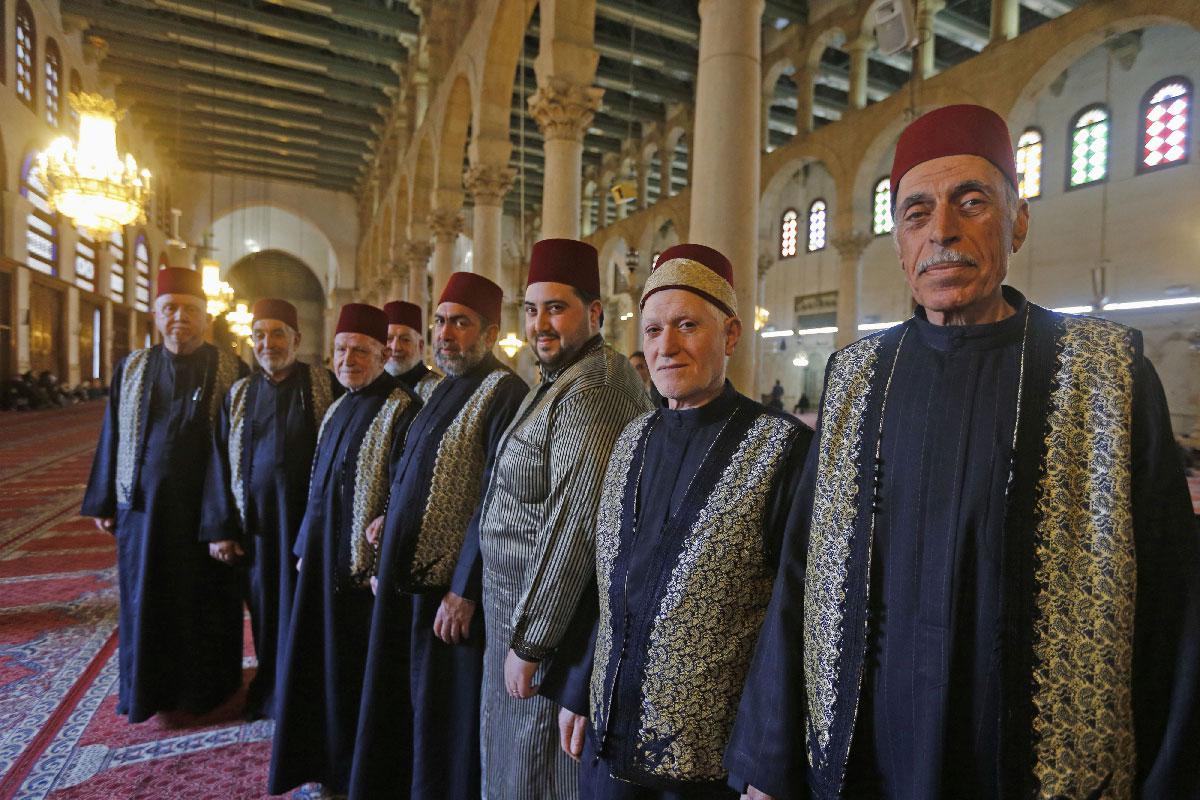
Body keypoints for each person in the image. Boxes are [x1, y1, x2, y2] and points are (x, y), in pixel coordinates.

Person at [726, 104, 1200, 799]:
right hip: (873, 754)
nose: (942, 230)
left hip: (1035, 765)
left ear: (1018, 218)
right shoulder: (858, 377)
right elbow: (805, 572)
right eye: (916, 212)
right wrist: (770, 766)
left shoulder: (1105, 371)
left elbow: (1175, 601)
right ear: (897, 240)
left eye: (970, 202)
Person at [549, 244, 813, 799]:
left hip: (711, 761)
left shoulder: (782, 449)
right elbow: (610, 582)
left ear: (731, 333)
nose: (666, 347)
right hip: (609, 735)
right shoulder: (632, 440)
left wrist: (768, 763)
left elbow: (796, 619)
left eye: (687, 325)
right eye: (652, 331)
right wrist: (578, 687)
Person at [478, 238, 653, 799]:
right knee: (514, 767)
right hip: (517, 611)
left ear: (594, 313)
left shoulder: (594, 389)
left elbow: (575, 525)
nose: (539, 324)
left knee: (541, 776)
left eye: (556, 308)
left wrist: (532, 639)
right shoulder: (561, 380)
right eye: (531, 310)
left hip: (553, 631)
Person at [350, 273, 528, 799]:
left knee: (441, 718)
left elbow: (498, 498)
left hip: (447, 594)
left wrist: (464, 588)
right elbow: (414, 468)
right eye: (441, 321)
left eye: (461, 323)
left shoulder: (505, 392)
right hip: (407, 582)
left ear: (491, 333)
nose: (446, 333)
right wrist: (390, 516)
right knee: (400, 701)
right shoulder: (444, 386)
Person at [269, 303, 422, 799]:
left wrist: (381, 560)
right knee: (319, 676)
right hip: (320, 568)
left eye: (360, 349)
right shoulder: (337, 406)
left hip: (364, 581)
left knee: (355, 683)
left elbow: (406, 496)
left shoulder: (402, 407)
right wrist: (302, 548)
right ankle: (329, 770)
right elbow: (318, 486)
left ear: (383, 354)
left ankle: (359, 779)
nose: (348, 357)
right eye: (341, 349)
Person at [81, 267, 247, 723]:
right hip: (144, 511)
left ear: (205, 315)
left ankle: (206, 689)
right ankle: (148, 692)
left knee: (204, 601)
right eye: (170, 309)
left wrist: (229, 519)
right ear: (156, 315)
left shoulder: (233, 367)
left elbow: (240, 446)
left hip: (206, 514)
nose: (179, 318)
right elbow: (112, 432)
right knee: (146, 599)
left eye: (189, 310)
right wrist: (104, 500)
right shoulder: (133, 366)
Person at [201, 299, 342, 721]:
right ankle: (271, 691)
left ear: (297, 339)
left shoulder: (324, 384)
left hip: (309, 529)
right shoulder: (239, 394)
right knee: (264, 613)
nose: (268, 343)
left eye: (278, 333)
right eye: (259, 335)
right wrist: (220, 528)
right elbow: (218, 463)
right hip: (258, 529)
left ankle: (307, 696)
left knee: (308, 613)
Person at [384, 299, 441, 399]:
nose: (395, 347)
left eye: (405, 339)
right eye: (389, 339)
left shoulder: (437, 389)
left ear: (420, 346)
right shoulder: (371, 386)